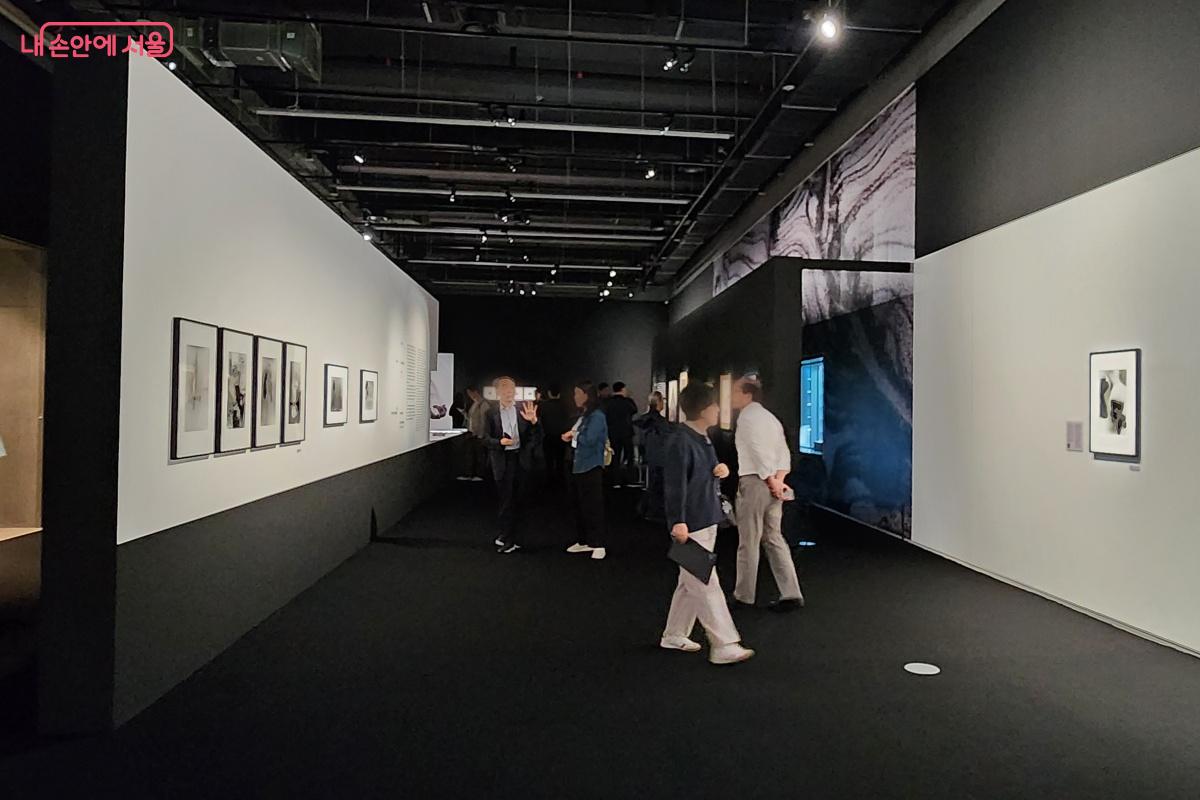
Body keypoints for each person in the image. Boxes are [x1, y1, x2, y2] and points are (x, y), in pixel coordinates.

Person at [661, 382, 754, 665]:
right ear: (703, 409)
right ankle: (724, 643)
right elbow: (674, 485)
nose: (717, 410)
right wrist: (677, 521)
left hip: (705, 517)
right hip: (692, 522)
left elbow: (699, 473)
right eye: (714, 405)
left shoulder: (701, 437)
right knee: (705, 581)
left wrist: (718, 471)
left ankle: (674, 634)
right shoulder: (681, 441)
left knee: (690, 582)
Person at [731, 379, 804, 611]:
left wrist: (770, 480)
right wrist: (779, 481)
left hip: (755, 482)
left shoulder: (747, 418)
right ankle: (791, 592)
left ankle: (744, 596)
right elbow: (783, 452)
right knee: (774, 537)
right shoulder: (770, 418)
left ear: (747, 394)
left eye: (735, 391)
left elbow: (757, 451)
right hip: (774, 485)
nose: (731, 396)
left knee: (749, 540)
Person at [482, 377, 542, 554]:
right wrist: (500, 442)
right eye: (504, 387)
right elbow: (485, 439)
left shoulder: (523, 410)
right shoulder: (490, 413)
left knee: (518, 499)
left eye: (512, 388)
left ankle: (511, 537)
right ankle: (507, 536)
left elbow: (538, 436)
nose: (509, 391)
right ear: (497, 391)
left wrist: (534, 422)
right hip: (502, 460)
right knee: (506, 500)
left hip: (520, 459)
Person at [563, 381, 609, 560]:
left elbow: (589, 439)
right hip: (579, 466)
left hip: (591, 466)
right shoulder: (585, 415)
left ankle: (598, 543)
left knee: (593, 506)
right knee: (580, 505)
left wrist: (573, 435)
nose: (574, 397)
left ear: (586, 395)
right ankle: (584, 540)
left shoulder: (597, 416)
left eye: (577, 393)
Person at [603, 382, 638, 484]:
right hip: (626, 433)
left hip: (613, 433)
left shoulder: (609, 402)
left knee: (615, 457)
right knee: (629, 456)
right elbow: (634, 410)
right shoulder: (627, 402)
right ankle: (630, 479)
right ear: (622, 389)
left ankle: (615, 480)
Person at [538, 383, 570, 488]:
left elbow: (539, 421)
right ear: (559, 393)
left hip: (548, 437)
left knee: (549, 462)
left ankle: (549, 483)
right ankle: (561, 483)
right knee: (560, 462)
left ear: (549, 393)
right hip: (562, 438)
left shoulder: (543, 406)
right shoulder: (565, 405)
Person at [462, 386, 490, 481]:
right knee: (470, 454)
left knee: (480, 454)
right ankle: (470, 474)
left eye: (470, 393)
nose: (469, 395)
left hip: (479, 434)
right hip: (472, 433)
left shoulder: (483, 404)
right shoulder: (475, 403)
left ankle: (480, 474)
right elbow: (472, 418)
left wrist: (481, 434)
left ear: (476, 392)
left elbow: (483, 421)